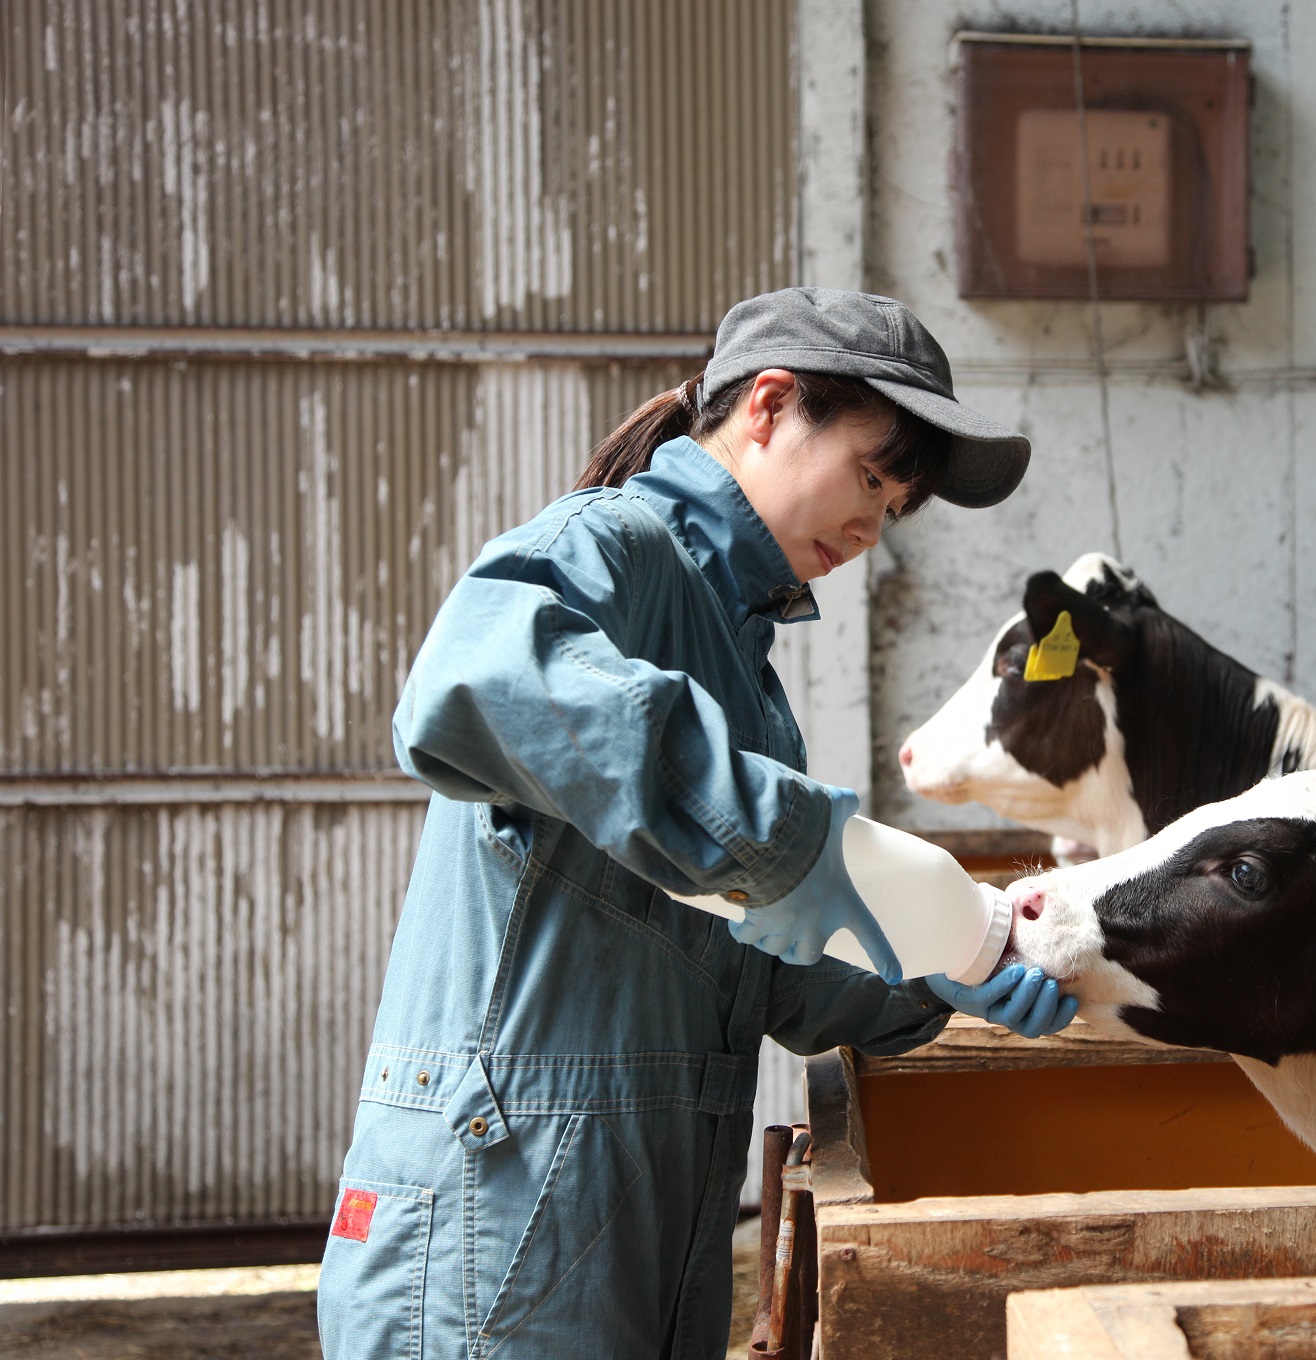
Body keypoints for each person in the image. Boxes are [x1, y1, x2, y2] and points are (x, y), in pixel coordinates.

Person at [317, 289, 1077, 1360]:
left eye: (894, 509)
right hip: (506, 1205)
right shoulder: (607, 547)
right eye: (869, 474)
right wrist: (806, 845)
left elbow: (762, 973)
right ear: (768, 405)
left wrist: (930, 975)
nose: (870, 529)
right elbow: (470, 681)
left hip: (633, 1210)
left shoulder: (748, 679)